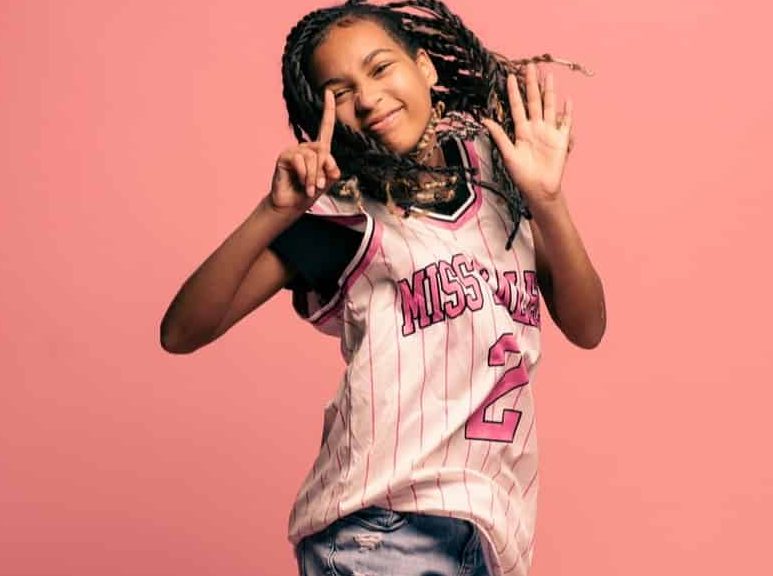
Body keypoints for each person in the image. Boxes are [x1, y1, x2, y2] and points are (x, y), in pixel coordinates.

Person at [159, 1, 606, 574]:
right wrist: (273, 211)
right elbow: (181, 331)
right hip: (382, 528)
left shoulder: (500, 177)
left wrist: (548, 202)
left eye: (379, 68)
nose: (367, 98)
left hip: (491, 533)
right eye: (338, 92)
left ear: (425, 68)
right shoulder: (342, 219)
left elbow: (588, 326)